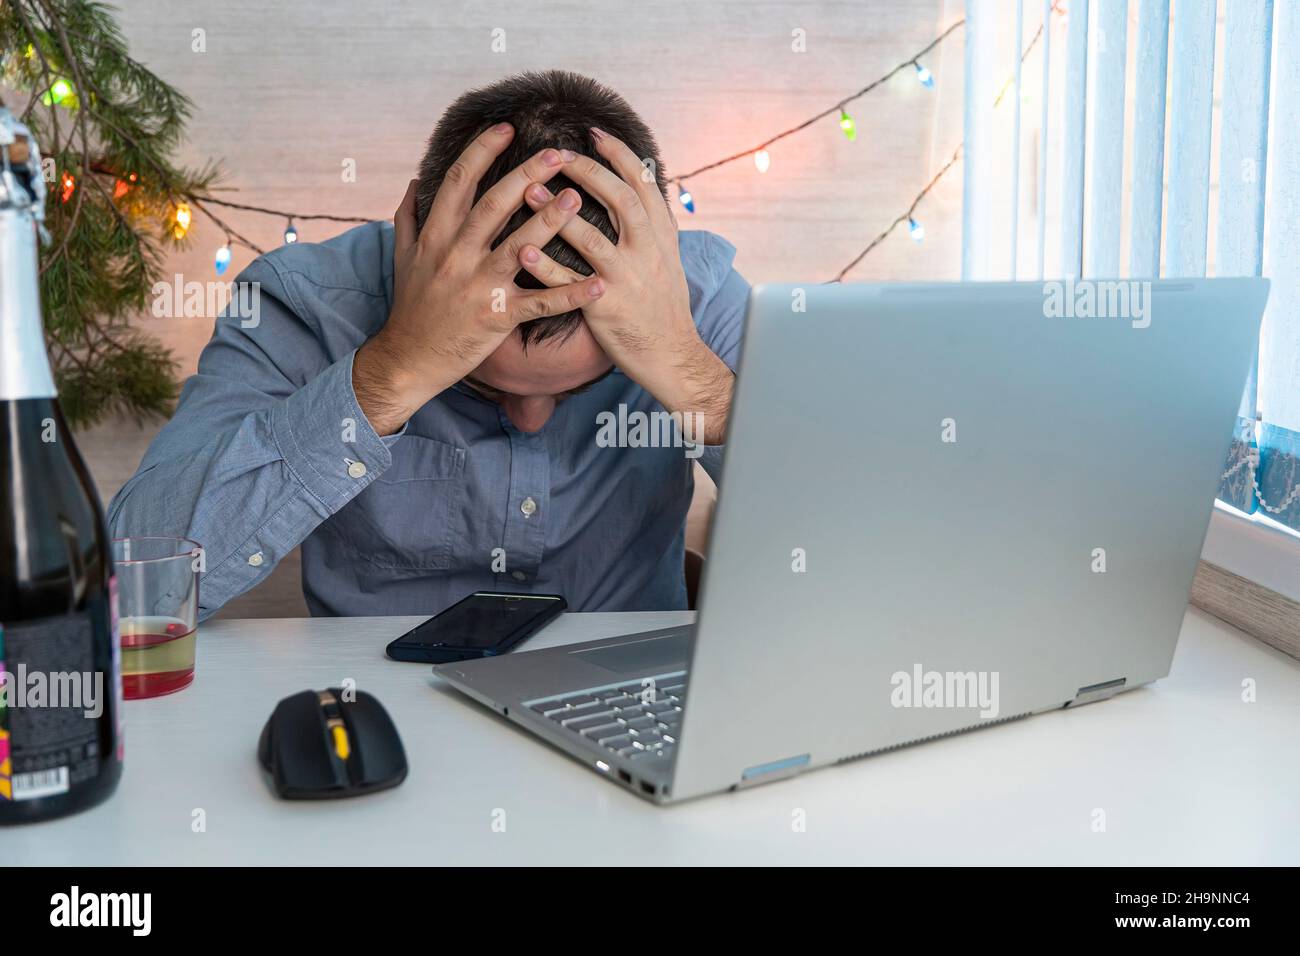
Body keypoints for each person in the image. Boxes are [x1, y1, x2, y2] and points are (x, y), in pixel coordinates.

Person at [110, 70, 749, 619]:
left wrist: (696, 381)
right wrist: (394, 370)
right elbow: (129, 591)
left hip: (626, 704)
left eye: (582, 383)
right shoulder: (304, 304)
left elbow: (843, 553)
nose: (529, 420)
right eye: (479, 379)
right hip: (378, 706)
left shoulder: (700, 296)